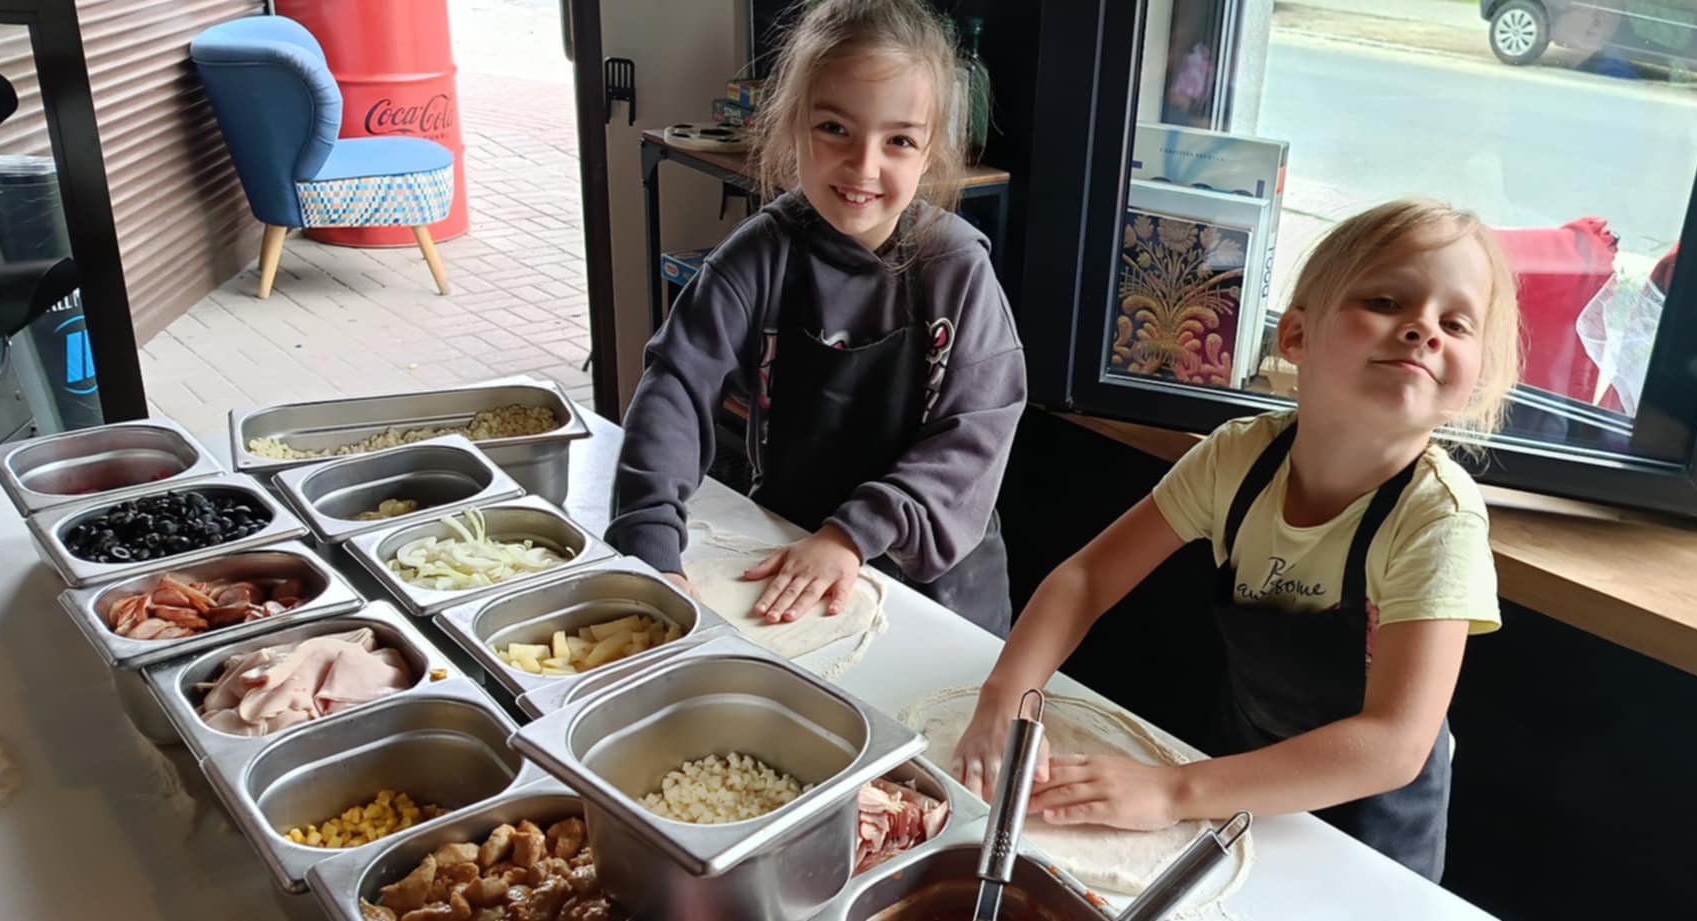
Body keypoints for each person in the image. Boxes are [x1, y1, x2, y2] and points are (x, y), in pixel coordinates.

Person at [954, 199, 1523, 880]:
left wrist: (1173, 791)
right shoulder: (1238, 459)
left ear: (1473, 382)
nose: (1423, 328)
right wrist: (1007, 695)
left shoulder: (1438, 521)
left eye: (1455, 323)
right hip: (1241, 772)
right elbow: (1086, 579)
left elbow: (1392, 744)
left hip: (1372, 831)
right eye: (1385, 301)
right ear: (1297, 336)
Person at [605, 0, 1025, 636]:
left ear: (930, 152)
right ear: (792, 124)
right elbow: (676, 388)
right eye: (835, 128)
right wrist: (648, 539)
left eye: (898, 141)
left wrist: (851, 534)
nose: (864, 165)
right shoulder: (761, 253)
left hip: (939, 597)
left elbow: (974, 438)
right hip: (790, 558)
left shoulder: (957, 269)